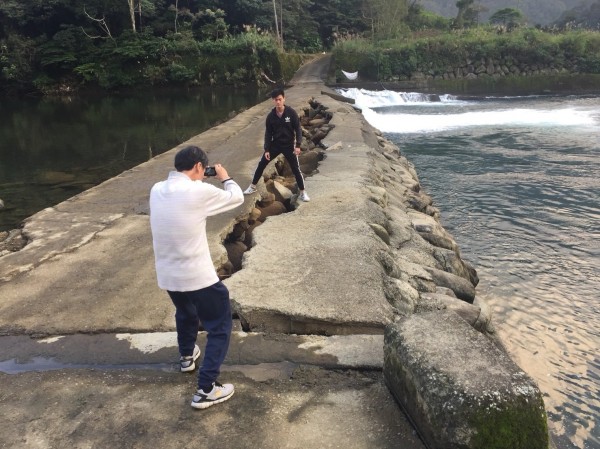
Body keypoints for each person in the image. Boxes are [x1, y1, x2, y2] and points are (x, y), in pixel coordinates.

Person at [149, 145, 244, 409]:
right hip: (196, 276)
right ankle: (206, 389)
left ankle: (187, 356)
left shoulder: (156, 189)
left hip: (169, 275)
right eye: (204, 170)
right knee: (220, 325)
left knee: (186, 311)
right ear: (200, 167)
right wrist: (225, 177)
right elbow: (236, 197)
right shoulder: (198, 190)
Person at [243, 87, 310, 202]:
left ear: (284, 99)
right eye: (275, 100)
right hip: (276, 145)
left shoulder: (291, 113)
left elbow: (298, 129)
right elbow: (268, 134)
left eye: (279, 99)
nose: (278, 102)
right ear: (273, 101)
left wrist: (298, 145)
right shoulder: (271, 116)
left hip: (289, 145)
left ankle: (303, 192)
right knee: (261, 164)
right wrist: (267, 149)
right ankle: (252, 187)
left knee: (295, 169)